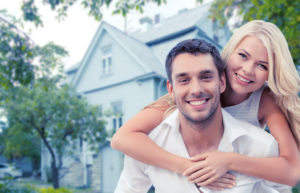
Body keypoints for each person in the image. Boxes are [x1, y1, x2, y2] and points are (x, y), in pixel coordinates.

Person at [111, 20, 300, 189]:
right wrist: (188, 167)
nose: (248, 70)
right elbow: (122, 138)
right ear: (229, 52)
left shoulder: (264, 101)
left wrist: (230, 161)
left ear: (271, 74)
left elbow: (291, 171)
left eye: (263, 66)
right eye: (243, 55)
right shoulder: (187, 98)